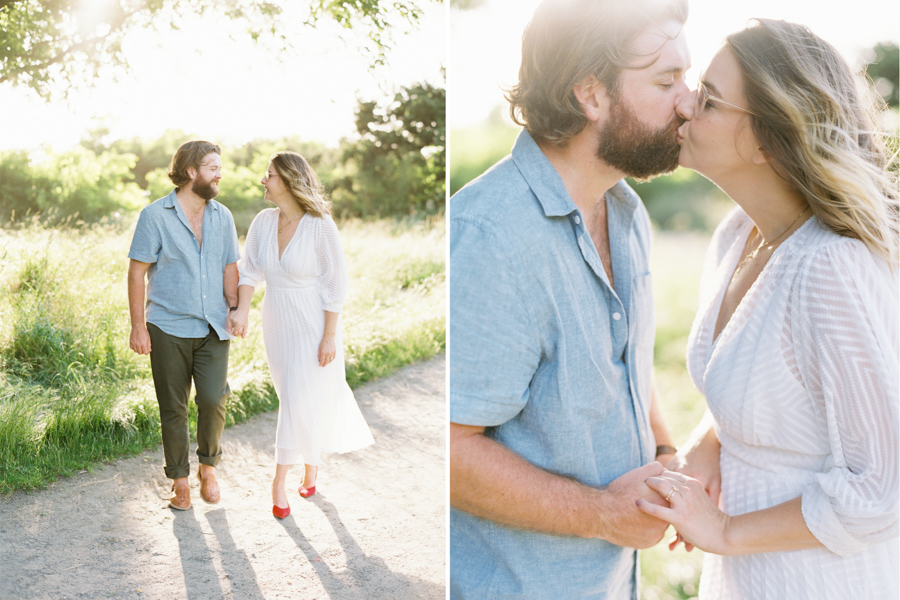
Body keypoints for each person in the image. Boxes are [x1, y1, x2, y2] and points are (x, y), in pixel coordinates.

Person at [635, 20, 899, 599]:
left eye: (706, 99)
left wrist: (724, 529)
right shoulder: (738, 236)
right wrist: (708, 449)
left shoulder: (831, 270)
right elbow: (766, 395)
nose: (682, 106)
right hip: (749, 579)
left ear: (766, 139)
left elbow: (883, 489)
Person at [449, 0, 690, 596]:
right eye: (666, 81)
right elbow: (450, 450)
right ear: (592, 95)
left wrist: (665, 450)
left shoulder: (628, 213)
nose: (688, 101)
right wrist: (604, 513)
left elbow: (622, 359)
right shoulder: (490, 235)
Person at [230, 151, 373, 519]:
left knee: (296, 396)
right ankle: (312, 465)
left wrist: (329, 336)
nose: (264, 180)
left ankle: (278, 482)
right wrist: (242, 311)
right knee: (293, 396)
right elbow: (249, 271)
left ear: (291, 181)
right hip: (276, 321)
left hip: (312, 324)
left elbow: (335, 283)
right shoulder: (263, 222)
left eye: (270, 175)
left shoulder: (320, 225)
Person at [128, 140, 240, 511]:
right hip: (167, 326)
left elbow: (229, 267)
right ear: (191, 172)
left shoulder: (222, 216)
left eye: (219, 167)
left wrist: (236, 307)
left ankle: (208, 467)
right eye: (212, 167)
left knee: (213, 398)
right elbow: (137, 272)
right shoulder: (155, 216)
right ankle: (179, 481)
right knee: (172, 407)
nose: (219, 173)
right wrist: (138, 326)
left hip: (213, 327)